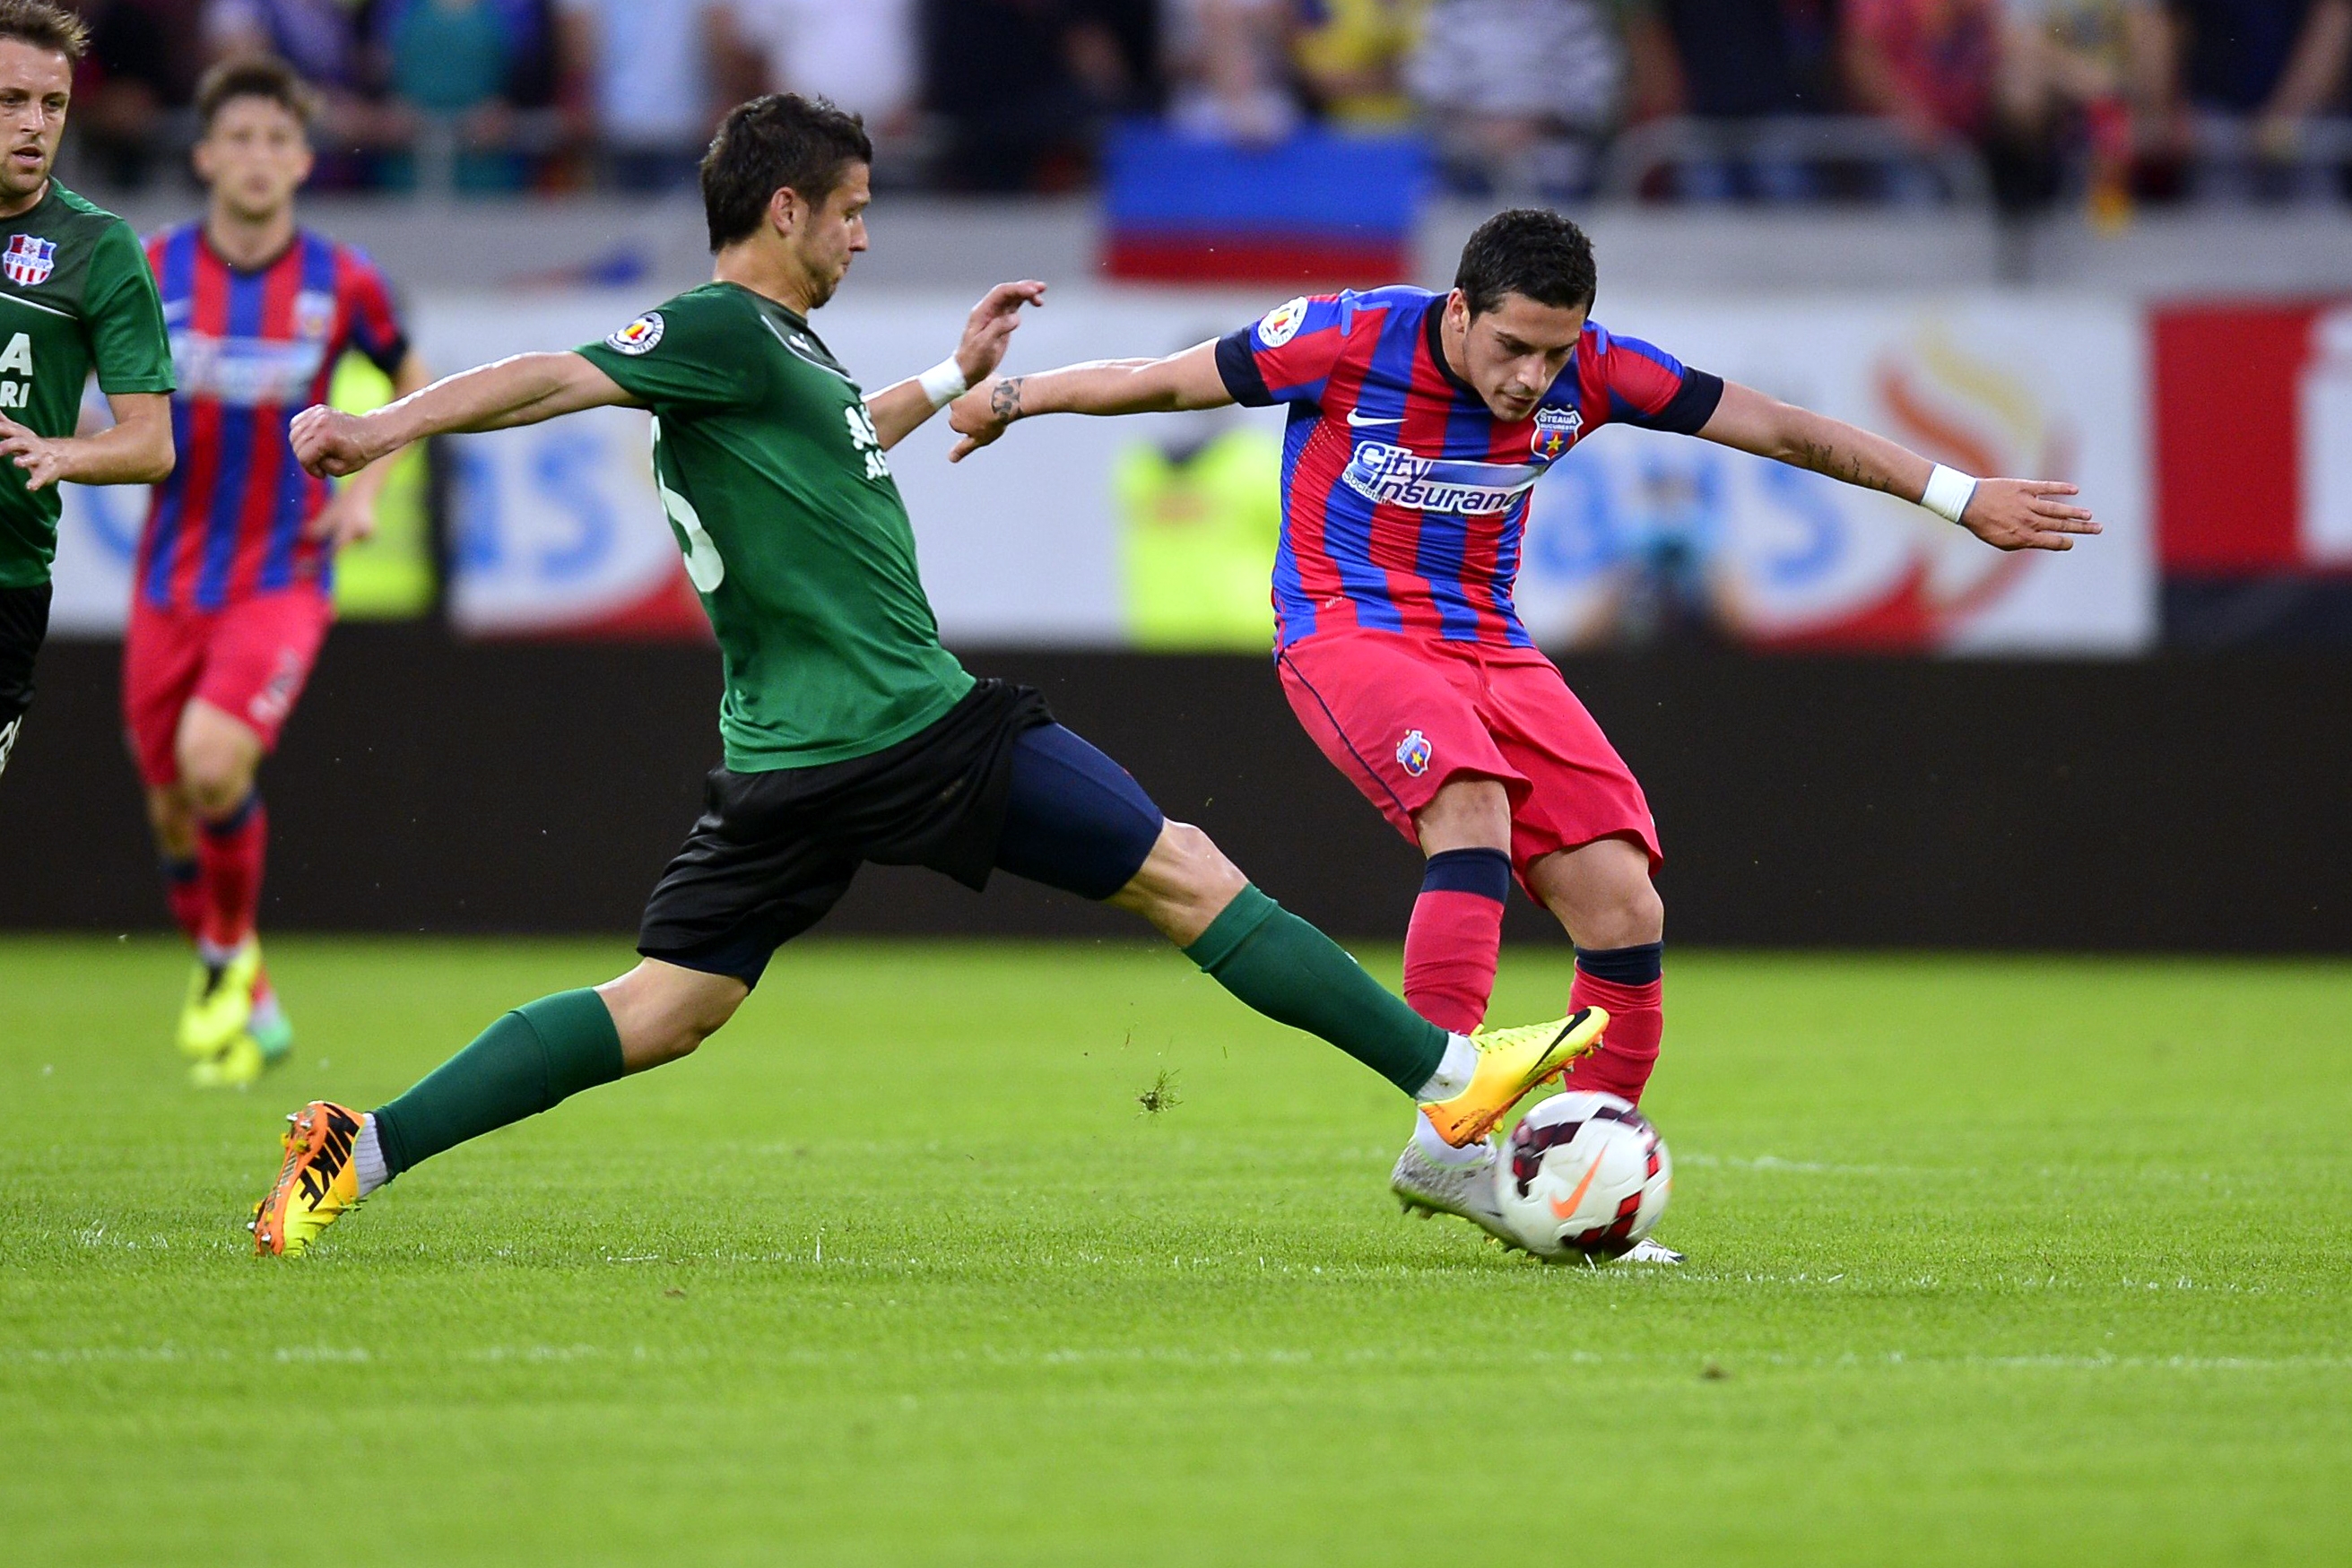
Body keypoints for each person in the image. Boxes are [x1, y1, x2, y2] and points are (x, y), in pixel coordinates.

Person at [248, 93, 1597, 1259]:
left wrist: (956, 370)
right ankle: (1443, 1075)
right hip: (908, 724)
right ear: (784, 211)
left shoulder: (778, 360)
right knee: (1184, 871)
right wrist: (380, 426)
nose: (862, 234)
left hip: (788, 757)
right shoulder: (715, 329)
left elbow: (847, 435)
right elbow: (558, 373)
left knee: (664, 1006)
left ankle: (359, 1147)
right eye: (850, 211)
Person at [945, 207, 2098, 1260]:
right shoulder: (1343, 339)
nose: (1532, 377)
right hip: (1350, 632)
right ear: (1457, 311)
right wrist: (1008, 400)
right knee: (1472, 807)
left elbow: (1783, 432)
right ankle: (1451, 1130)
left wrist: (1957, 497)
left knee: (1623, 903)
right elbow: (1160, 385)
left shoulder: (1595, 372)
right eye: (1511, 348)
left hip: (1493, 644)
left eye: (1555, 352)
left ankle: (1580, 1181)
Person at [127, 56, 430, 1088]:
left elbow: (409, 377)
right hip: (166, 579)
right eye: (237, 139)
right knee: (172, 802)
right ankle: (241, 985)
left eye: (275, 141)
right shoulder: (150, 267)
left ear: (301, 160)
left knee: (214, 764)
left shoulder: (341, 279)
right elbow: (92, 380)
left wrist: (368, 491)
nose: (256, 159)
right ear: (206, 155)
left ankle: (222, 971)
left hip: (280, 573)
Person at [0, 1, 176, 791]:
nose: (34, 124)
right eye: (10, 101)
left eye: (53, 103)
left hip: (7, 581)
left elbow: (151, 441)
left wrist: (62, 450)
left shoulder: (99, 249)